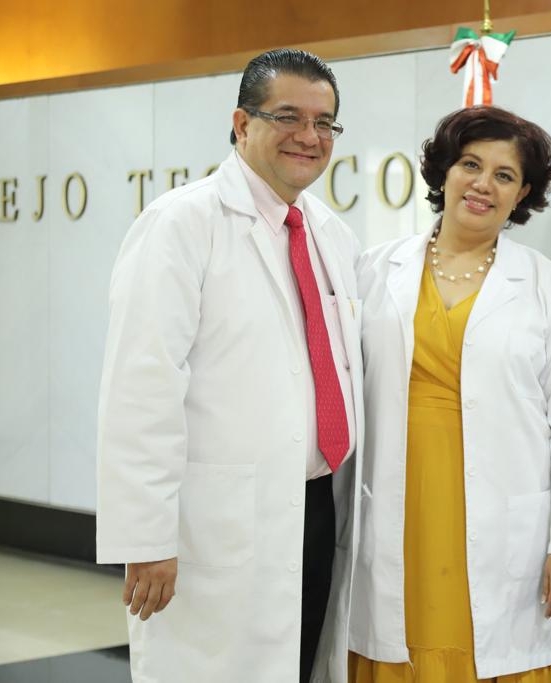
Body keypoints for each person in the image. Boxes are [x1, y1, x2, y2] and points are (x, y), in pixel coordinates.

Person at [95, 48, 363, 683]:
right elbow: (142, 387)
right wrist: (147, 539)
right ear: (242, 124)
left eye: (324, 122)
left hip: (316, 508)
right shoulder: (181, 223)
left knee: (300, 663)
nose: (309, 136)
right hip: (213, 522)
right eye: (288, 116)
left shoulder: (331, 234)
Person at [348, 106, 551, 682]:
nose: (483, 184)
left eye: (504, 175)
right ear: (445, 172)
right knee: (395, 642)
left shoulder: (546, 286)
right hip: (398, 510)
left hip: (503, 524)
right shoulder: (374, 270)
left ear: (523, 194)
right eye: (470, 164)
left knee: (490, 648)